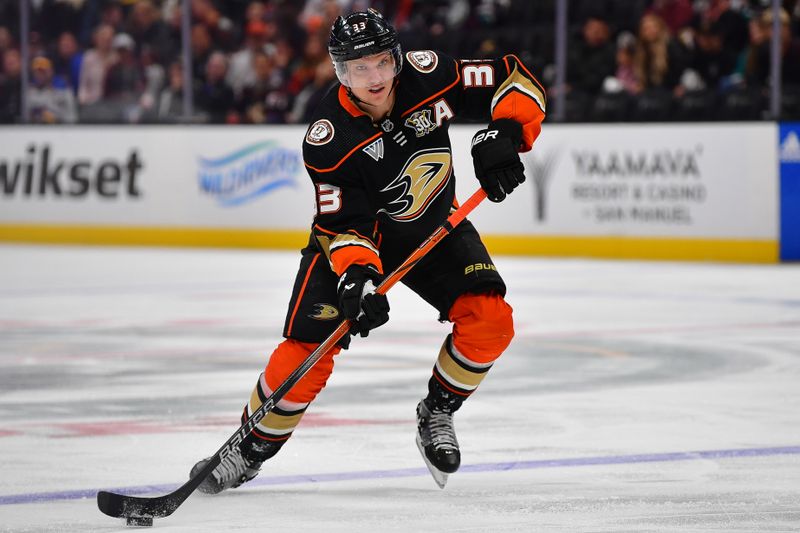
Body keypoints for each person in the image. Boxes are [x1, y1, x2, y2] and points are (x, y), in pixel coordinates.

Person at [191, 8, 545, 492]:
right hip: (355, 243)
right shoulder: (328, 138)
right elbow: (344, 225)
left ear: (396, 57)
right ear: (341, 72)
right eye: (360, 68)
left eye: (381, 62)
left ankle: (436, 412)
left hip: (434, 228)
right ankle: (247, 451)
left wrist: (505, 132)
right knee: (306, 351)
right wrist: (356, 277)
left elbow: (514, 79)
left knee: (490, 319)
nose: (375, 78)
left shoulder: (429, 74)